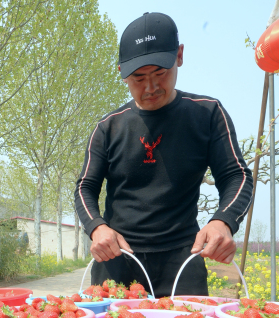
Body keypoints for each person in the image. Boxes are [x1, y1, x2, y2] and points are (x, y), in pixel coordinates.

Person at [74, 12, 253, 297]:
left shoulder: (207, 114)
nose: (151, 87)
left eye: (161, 73)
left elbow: (237, 175)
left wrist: (224, 220)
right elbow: (85, 187)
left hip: (183, 259)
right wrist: (96, 228)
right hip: (117, 260)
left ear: (179, 55)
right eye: (139, 78)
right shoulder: (108, 127)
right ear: (121, 72)